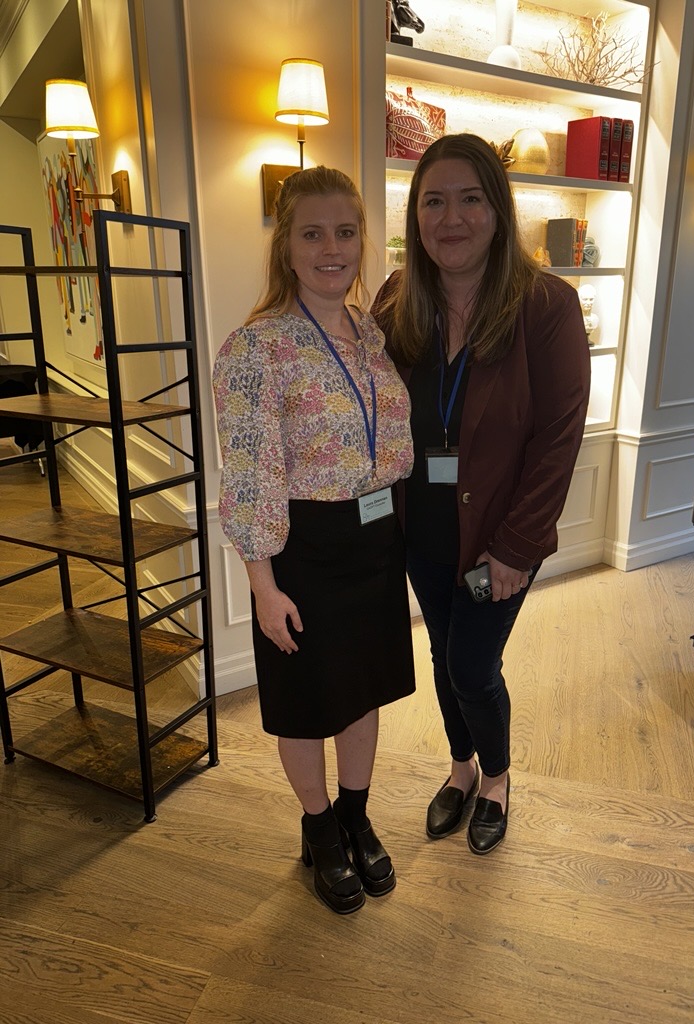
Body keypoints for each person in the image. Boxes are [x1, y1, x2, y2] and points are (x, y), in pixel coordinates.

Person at [373, 134, 590, 855]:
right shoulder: (397, 300)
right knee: (441, 655)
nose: (451, 217)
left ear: (498, 210)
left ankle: (496, 778)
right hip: (421, 527)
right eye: (434, 200)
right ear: (416, 215)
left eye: (470, 198)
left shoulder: (546, 306)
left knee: (472, 664)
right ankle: (460, 768)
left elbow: (556, 442)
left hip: (497, 536)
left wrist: (518, 549)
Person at [212, 166, 415, 914]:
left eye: (347, 231)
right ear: (286, 245)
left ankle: (356, 816)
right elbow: (250, 473)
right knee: (306, 701)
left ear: (363, 238)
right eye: (313, 233)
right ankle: (320, 830)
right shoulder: (255, 347)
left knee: (363, 689)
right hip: (301, 549)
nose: (333, 248)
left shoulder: (371, 332)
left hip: (374, 542)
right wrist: (264, 586)